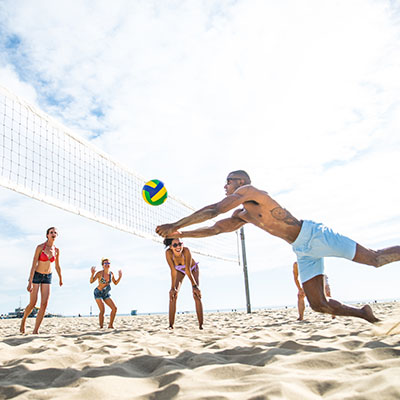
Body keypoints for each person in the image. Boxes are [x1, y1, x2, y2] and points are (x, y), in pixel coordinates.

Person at [156, 170, 400, 323]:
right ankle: (364, 314)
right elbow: (215, 228)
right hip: (302, 250)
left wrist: (175, 222)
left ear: (240, 182)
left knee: (375, 260)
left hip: (314, 235)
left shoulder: (250, 191)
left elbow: (214, 210)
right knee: (318, 305)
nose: (225, 187)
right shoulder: (243, 214)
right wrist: (180, 233)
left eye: (227, 182)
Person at [20, 227, 63, 334]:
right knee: (33, 303)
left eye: (55, 233)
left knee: (44, 304)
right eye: (51, 232)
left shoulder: (57, 250)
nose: (53, 234)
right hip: (36, 275)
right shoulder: (40, 247)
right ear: (47, 235)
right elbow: (34, 264)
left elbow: (57, 266)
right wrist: (30, 282)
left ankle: (35, 330)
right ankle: (24, 319)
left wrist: (60, 278)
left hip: (48, 276)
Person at [164, 238, 204, 329]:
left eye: (180, 244)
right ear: (170, 247)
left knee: (196, 295)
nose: (178, 246)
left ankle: (201, 326)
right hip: (179, 270)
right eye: (175, 245)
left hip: (192, 269)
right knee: (173, 295)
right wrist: (172, 288)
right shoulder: (168, 253)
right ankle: (171, 326)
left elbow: (188, 270)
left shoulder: (186, 251)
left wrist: (195, 286)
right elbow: (173, 270)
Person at [90, 258, 122, 329]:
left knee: (114, 308)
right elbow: (91, 281)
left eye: (108, 263)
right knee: (102, 310)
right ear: (102, 265)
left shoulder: (111, 274)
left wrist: (120, 277)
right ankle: (101, 327)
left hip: (106, 293)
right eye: (105, 263)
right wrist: (92, 274)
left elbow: (115, 283)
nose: (107, 264)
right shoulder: (100, 273)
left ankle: (110, 325)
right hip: (98, 292)